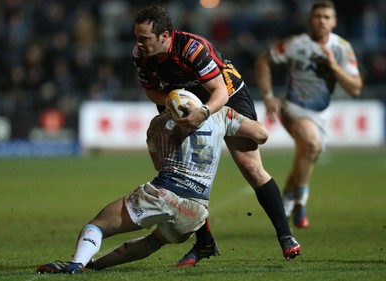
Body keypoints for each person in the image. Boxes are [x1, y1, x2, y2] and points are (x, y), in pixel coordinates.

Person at [132, 6, 301, 267]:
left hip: (226, 96)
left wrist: (204, 112)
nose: (139, 44)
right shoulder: (141, 55)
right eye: (137, 37)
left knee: (251, 168)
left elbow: (219, 91)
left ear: (165, 36)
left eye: (144, 38)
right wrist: (175, 102)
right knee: (182, 177)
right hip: (184, 101)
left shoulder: (192, 48)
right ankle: (205, 243)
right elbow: (151, 91)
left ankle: (286, 237)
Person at [36, 90, 269, 274]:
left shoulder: (159, 124)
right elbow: (261, 135)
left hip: (164, 194)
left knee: (96, 225)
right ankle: (95, 266)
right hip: (197, 211)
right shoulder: (221, 115)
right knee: (152, 242)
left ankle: (77, 264)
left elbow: (158, 164)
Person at [254, 0, 362, 229]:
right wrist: (268, 96)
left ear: (334, 21)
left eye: (326, 17)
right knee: (311, 146)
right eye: (318, 16)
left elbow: (355, 88)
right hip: (292, 108)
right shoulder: (295, 44)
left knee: (307, 153)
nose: (321, 21)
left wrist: (333, 66)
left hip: (320, 113)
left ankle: (288, 196)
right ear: (310, 20)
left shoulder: (342, 48)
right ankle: (300, 201)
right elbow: (263, 61)